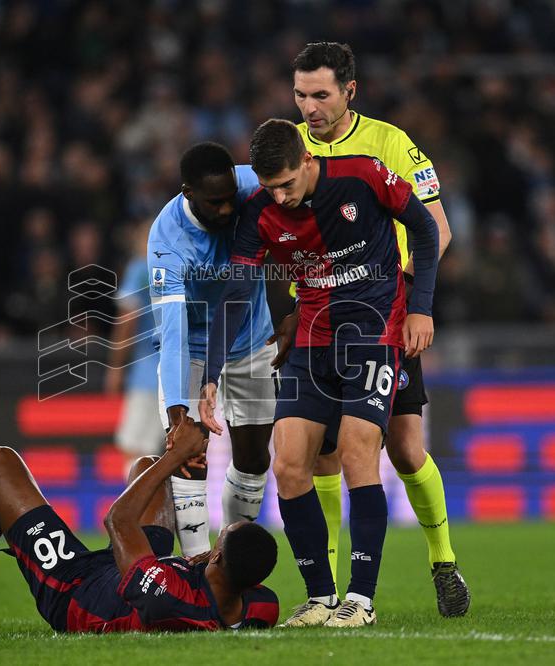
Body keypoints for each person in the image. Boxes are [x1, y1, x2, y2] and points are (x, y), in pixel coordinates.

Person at [199, 118, 440, 627]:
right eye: (270, 188)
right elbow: (239, 292)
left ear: (307, 161)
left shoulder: (364, 175)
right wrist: (210, 372)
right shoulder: (260, 212)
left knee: (357, 455)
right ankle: (320, 598)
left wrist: (421, 306)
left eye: (288, 183)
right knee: (287, 466)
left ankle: (362, 600)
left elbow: (424, 227)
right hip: (311, 341)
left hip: (374, 335)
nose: (281, 197)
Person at [283, 42, 469, 618]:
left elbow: (436, 227)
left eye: (320, 95)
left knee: (406, 448)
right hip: (314, 324)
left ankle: (443, 561)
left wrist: (409, 299)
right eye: (300, 95)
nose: (309, 108)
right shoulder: (289, 145)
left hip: (380, 315)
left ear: (349, 92)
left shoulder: (391, 144)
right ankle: (330, 594)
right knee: (317, 457)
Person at [0, 417, 279, 635]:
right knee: (147, 469)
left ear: (217, 561)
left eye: (218, 543)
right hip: (141, 570)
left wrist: (177, 455)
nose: (211, 545)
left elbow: (117, 521)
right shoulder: (259, 603)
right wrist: (170, 463)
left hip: (77, 589)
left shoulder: (169, 600)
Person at [148, 142, 277, 557]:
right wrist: (178, 417)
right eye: (215, 203)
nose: (226, 210)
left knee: (255, 459)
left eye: (229, 200)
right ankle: (198, 564)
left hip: (252, 337)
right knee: (188, 454)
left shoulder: (250, 186)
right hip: (194, 344)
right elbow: (171, 335)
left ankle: (229, 555)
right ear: (188, 192)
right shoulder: (167, 242)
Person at [106, 219, 166, 470]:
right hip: (178, 371)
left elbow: (127, 318)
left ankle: (141, 509)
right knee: (157, 451)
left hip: (147, 374)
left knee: (135, 450)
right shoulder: (179, 268)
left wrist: (115, 368)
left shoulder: (140, 269)